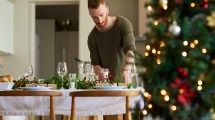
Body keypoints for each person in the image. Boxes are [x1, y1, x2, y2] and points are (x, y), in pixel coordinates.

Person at [87, 0, 136, 83]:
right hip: (107, 86)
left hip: (127, 81)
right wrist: (101, 73)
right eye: (95, 17)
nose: (99, 20)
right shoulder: (92, 37)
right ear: (90, 14)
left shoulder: (123, 24)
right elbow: (96, 64)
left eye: (101, 15)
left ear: (107, 10)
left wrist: (126, 70)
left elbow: (130, 50)